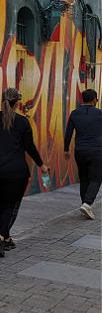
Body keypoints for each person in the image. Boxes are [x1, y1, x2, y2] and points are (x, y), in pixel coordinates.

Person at [0, 88, 49, 257]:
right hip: (15, 172)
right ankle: (0, 236)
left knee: (2, 203)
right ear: (17, 103)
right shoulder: (22, 122)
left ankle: (7, 239)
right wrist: (41, 165)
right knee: (9, 205)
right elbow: (29, 147)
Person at [64, 88, 102, 220]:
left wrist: (66, 149)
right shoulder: (100, 114)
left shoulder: (74, 114)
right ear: (94, 100)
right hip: (97, 150)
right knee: (96, 178)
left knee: (84, 178)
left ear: (82, 100)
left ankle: (84, 205)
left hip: (80, 151)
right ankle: (87, 203)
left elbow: (68, 132)